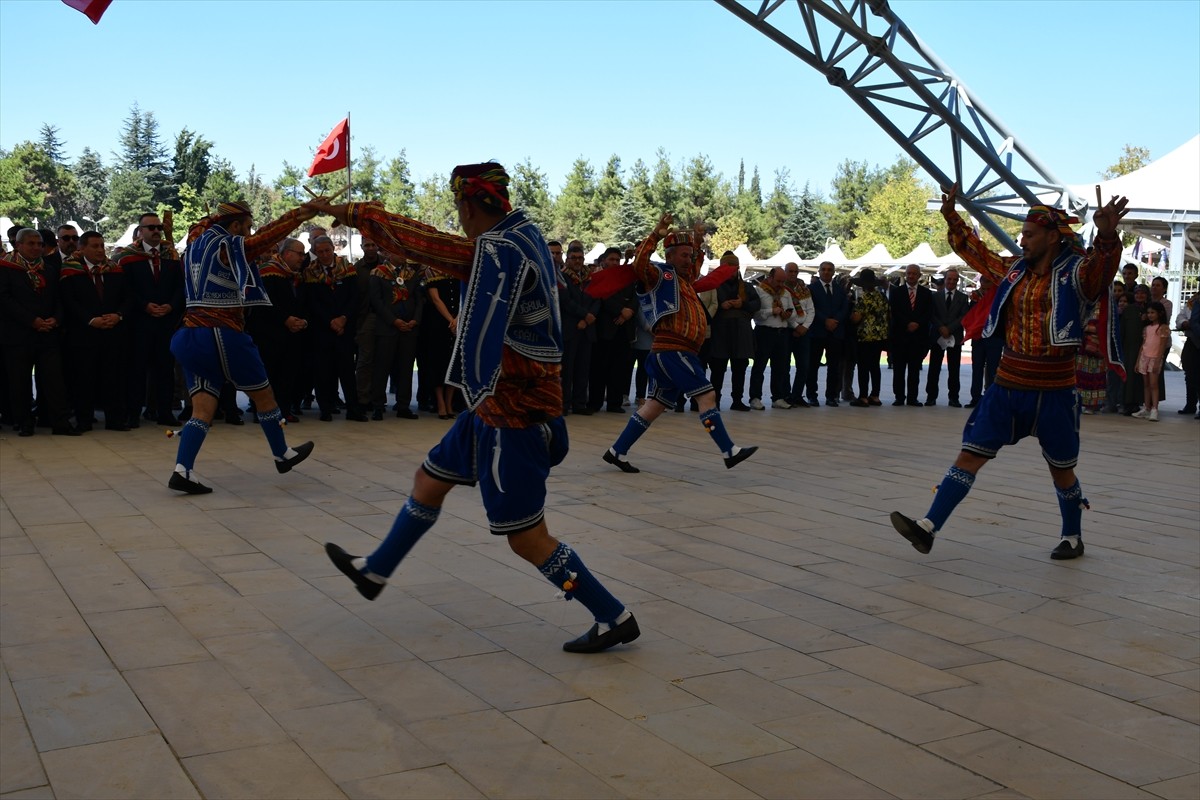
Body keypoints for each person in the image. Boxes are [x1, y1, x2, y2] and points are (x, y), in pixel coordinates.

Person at [313, 163, 640, 654]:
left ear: (467, 205)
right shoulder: (521, 234)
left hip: (515, 413)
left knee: (528, 539)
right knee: (429, 481)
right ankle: (375, 570)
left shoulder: (500, 247)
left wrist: (360, 214)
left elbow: (433, 249)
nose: (457, 219)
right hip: (494, 408)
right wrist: (362, 216)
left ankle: (613, 615)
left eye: (458, 209)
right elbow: (435, 246)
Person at [891, 186, 1127, 561]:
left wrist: (1107, 235)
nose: (1022, 240)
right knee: (969, 455)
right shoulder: (1013, 269)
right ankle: (928, 527)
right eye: (1022, 234)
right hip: (1007, 384)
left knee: (1062, 471)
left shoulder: (1076, 274)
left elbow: (1102, 270)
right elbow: (975, 252)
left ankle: (1072, 537)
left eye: (1029, 234)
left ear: (1052, 236)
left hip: (1055, 390)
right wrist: (951, 214)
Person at [167, 201, 318, 494]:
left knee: (202, 409)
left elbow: (202, 223)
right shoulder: (227, 246)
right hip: (221, 333)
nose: (248, 234)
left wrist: (222, 214)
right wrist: (299, 215)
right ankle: (282, 454)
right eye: (245, 227)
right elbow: (265, 238)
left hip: (189, 334)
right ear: (234, 226)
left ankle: (182, 470)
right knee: (265, 396)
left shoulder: (196, 240)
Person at [600, 213, 756, 473]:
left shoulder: (685, 280)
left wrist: (697, 238)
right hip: (673, 350)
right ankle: (729, 450)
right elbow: (639, 264)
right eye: (684, 255)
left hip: (674, 352)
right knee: (707, 394)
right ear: (669, 256)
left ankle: (617, 451)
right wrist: (657, 233)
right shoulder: (659, 275)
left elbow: (695, 262)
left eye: (691, 255)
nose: (689, 260)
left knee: (654, 405)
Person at [0, 229, 78, 436]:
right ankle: (25, 422)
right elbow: (5, 300)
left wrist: (56, 319)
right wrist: (31, 321)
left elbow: (58, 299)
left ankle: (60, 422)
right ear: (18, 245)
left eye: (39, 244)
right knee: (20, 381)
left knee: (54, 380)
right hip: (18, 334)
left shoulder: (49, 268)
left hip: (47, 333)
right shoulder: (5, 268)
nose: (36, 247)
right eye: (31, 243)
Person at [114, 212, 185, 427]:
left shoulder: (171, 255)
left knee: (165, 368)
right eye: (151, 227)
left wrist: (171, 306)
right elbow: (126, 289)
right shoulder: (128, 257)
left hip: (166, 321)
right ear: (140, 231)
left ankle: (165, 412)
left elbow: (180, 286)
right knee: (137, 369)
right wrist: (145, 305)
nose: (156, 231)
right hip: (139, 322)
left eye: (158, 227)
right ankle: (133, 413)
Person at [59, 231, 133, 431]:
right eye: (95, 246)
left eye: (101, 245)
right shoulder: (70, 271)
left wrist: (118, 315)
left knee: (114, 377)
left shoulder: (114, 270)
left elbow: (128, 298)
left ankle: (115, 419)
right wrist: (90, 320)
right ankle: (84, 420)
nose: (100, 250)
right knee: (84, 378)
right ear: (81, 249)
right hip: (84, 334)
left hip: (112, 332)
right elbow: (69, 301)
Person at [247, 238, 308, 424]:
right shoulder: (267, 272)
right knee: (269, 374)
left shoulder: (295, 274)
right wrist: (285, 319)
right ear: (287, 253)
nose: (302, 258)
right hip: (269, 334)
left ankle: (284, 409)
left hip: (291, 334)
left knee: (288, 374)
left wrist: (303, 320)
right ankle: (264, 412)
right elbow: (264, 304)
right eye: (299, 253)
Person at [367, 253, 423, 419]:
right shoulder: (378, 273)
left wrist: (415, 320)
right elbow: (376, 301)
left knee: (406, 368)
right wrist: (393, 320)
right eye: (399, 252)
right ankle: (378, 405)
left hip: (409, 328)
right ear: (388, 253)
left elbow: (419, 299)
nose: (403, 255)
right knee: (382, 367)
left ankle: (403, 405)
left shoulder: (412, 273)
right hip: (387, 327)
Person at [707, 251, 760, 411]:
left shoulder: (747, 287)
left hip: (741, 332)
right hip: (720, 332)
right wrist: (722, 306)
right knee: (718, 369)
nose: (731, 271)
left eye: (733, 267)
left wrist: (742, 304)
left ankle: (737, 400)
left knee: (740, 368)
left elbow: (757, 304)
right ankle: (714, 401)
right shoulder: (714, 286)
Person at [748, 267, 797, 410]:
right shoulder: (759, 291)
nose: (781, 284)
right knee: (759, 366)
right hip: (764, 331)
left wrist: (788, 315)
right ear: (770, 278)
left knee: (780, 367)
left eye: (783, 281)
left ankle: (778, 397)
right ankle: (755, 397)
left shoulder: (786, 293)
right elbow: (755, 313)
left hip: (782, 332)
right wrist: (771, 311)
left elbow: (793, 312)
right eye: (778, 281)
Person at [889, 264, 933, 406]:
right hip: (900, 336)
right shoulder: (896, 292)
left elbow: (928, 313)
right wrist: (907, 323)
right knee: (899, 370)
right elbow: (894, 312)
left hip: (918, 338)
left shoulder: (926, 294)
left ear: (919, 276)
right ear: (905, 275)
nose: (911, 276)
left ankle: (912, 397)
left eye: (914, 274)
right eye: (909, 273)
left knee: (914, 369)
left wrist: (917, 323)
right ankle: (899, 397)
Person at [806, 261, 849, 406]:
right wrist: (825, 320)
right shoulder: (811, 289)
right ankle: (812, 395)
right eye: (823, 269)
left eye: (829, 270)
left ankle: (832, 395)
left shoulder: (840, 289)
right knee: (813, 366)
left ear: (833, 272)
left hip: (835, 332)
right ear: (819, 271)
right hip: (817, 331)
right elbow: (811, 307)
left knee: (834, 366)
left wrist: (835, 320)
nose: (826, 272)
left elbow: (844, 308)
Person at [925, 268, 969, 406]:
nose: (951, 281)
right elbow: (931, 314)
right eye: (949, 279)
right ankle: (931, 397)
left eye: (954, 279)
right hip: (938, 336)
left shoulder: (963, 298)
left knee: (954, 369)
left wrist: (949, 329)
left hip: (954, 336)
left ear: (957, 281)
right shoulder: (935, 296)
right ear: (945, 279)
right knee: (934, 368)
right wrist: (941, 327)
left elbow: (963, 316)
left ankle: (954, 397)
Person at [847, 268, 889, 407]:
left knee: (863, 367)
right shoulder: (882, 297)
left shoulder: (864, 298)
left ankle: (863, 396)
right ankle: (875, 395)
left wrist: (851, 315)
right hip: (879, 336)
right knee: (875, 366)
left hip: (865, 337)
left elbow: (856, 318)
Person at [782, 262, 814, 407]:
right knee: (785, 366)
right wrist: (795, 326)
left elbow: (811, 310)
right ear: (785, 272)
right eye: (790, 271)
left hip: (804, 331)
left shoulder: (804, 289)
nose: (793, 274)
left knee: (804, 365)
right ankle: (786, 395)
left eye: (795, 271)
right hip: (788, 330)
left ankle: (797, 395)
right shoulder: (781, 289)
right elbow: (784, 312)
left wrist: (804, 327)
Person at [1132, 301, 1170, 422]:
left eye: (1153, 312)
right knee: (1146, 384)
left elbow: (1162, 346)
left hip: (1155, 358)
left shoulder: (1163, 328)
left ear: (1160, 313)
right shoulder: (1147, 328)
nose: (1150, 315)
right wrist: (1138, 361)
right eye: (1148, 312)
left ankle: (1155, 409)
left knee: (1154, 385)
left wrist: (1158, 361)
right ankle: (1146, 408)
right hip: (1144, 357)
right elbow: (1143, 345)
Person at [1176, 292, 1199, 417]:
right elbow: (1180, 316)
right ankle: (1190, 404)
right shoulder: (1193, 301)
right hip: (1192, 340)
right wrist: (1184, 322)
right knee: (1190, 374)